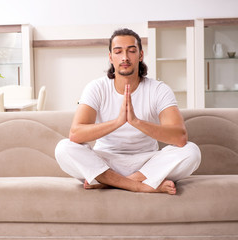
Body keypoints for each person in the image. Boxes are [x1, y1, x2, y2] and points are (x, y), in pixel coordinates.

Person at [55, 28, 201, 195]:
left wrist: (136, 122)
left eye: (131, 51)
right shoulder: (96, 88)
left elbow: (180, 137)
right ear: (110, 57)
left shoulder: (159, 89)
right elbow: (75, 134)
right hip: (106, 162)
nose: (125, 57)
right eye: (118, 52)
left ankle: (110, 182)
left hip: (147, 162)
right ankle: (139, 185)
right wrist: (118, 122)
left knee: (191, 151)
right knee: (64, 148)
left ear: (140, 55)